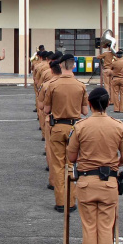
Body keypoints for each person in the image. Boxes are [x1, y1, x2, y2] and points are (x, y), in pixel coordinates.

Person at [66, 87, 123, 244]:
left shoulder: (81, 126)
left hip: (87, 182)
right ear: (108, 103)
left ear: (90, 104)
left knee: (89, 228)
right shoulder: (118, 126)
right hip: (109, 182)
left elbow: (72, 157)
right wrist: (113, 164)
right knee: (105, 228)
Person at [40, 54, 88, 212]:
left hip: (57, 127)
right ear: (73, 66)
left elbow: (46, 109)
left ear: (60, 66)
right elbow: (85, 111)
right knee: (72, 165)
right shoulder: (81, 85)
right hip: (75, 128)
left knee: (58, 165)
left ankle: (61, 202)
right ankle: (71, 201)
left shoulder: (52, 85)